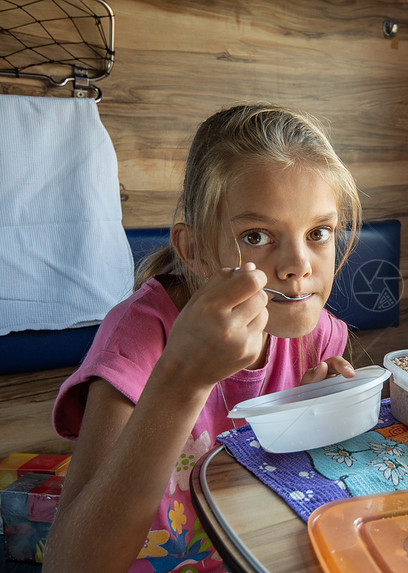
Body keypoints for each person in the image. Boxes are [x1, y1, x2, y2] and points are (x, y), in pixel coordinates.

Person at [43, 104, 362, 572]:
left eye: (318, 232)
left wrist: (314, 430)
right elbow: (70, 565)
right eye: (256, 236)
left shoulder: (320, 337)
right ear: (194, 250)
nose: (298, 265)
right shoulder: (141, 335)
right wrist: (182, 379)